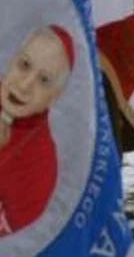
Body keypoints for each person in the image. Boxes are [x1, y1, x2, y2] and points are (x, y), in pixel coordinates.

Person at [0, 26, 74, 238]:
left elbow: (16, 241)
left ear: (54, 96)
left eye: (44, 80)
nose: (24, 85)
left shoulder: (41, 163)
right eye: (24, 65)